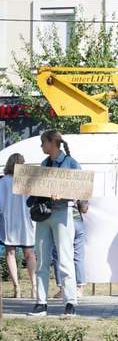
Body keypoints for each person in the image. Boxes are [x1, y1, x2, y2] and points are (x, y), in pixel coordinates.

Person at [27, 130, 81, 316]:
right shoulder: (43, 164)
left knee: (65, 259)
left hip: (61, 213)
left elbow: (80, 190)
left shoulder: (71, 164)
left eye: (43, 142)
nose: (41, 146)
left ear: (52, 142)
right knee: (41, 259)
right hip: (44, 215)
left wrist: (64, 194)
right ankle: (41, 302)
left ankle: (70, 302)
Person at [0, 153, 36, 299]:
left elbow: (0, 205)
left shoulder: (3, 182)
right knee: (30, 254)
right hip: (26, 221)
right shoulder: (28, 181)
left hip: (9, 221)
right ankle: (34, 286)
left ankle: (17, 287)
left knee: (10, 253)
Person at [52, 200, 89, 299]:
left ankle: (63, 289)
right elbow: (84, 209)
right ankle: (78, 288)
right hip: (76, 219)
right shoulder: (79, 185)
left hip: (62, 219)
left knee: (58, 254)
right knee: (78, 255)